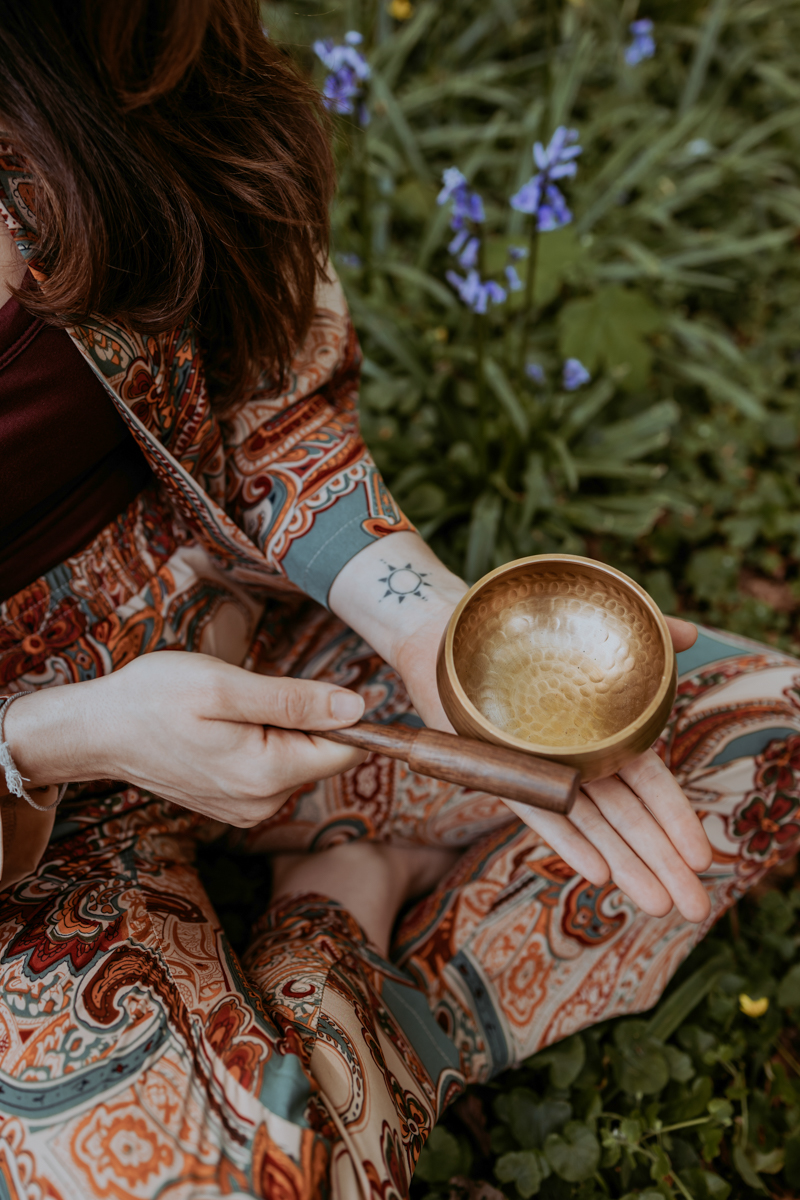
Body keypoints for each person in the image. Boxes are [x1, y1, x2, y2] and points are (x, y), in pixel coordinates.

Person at [0, 3, 798, 1197]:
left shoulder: (118, 40)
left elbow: (258, 396)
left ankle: (319, 1025)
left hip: (273, 659)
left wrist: (428, 630)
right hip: (32, 834)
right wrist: (57, 740)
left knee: (766, 748)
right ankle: (341, 929)